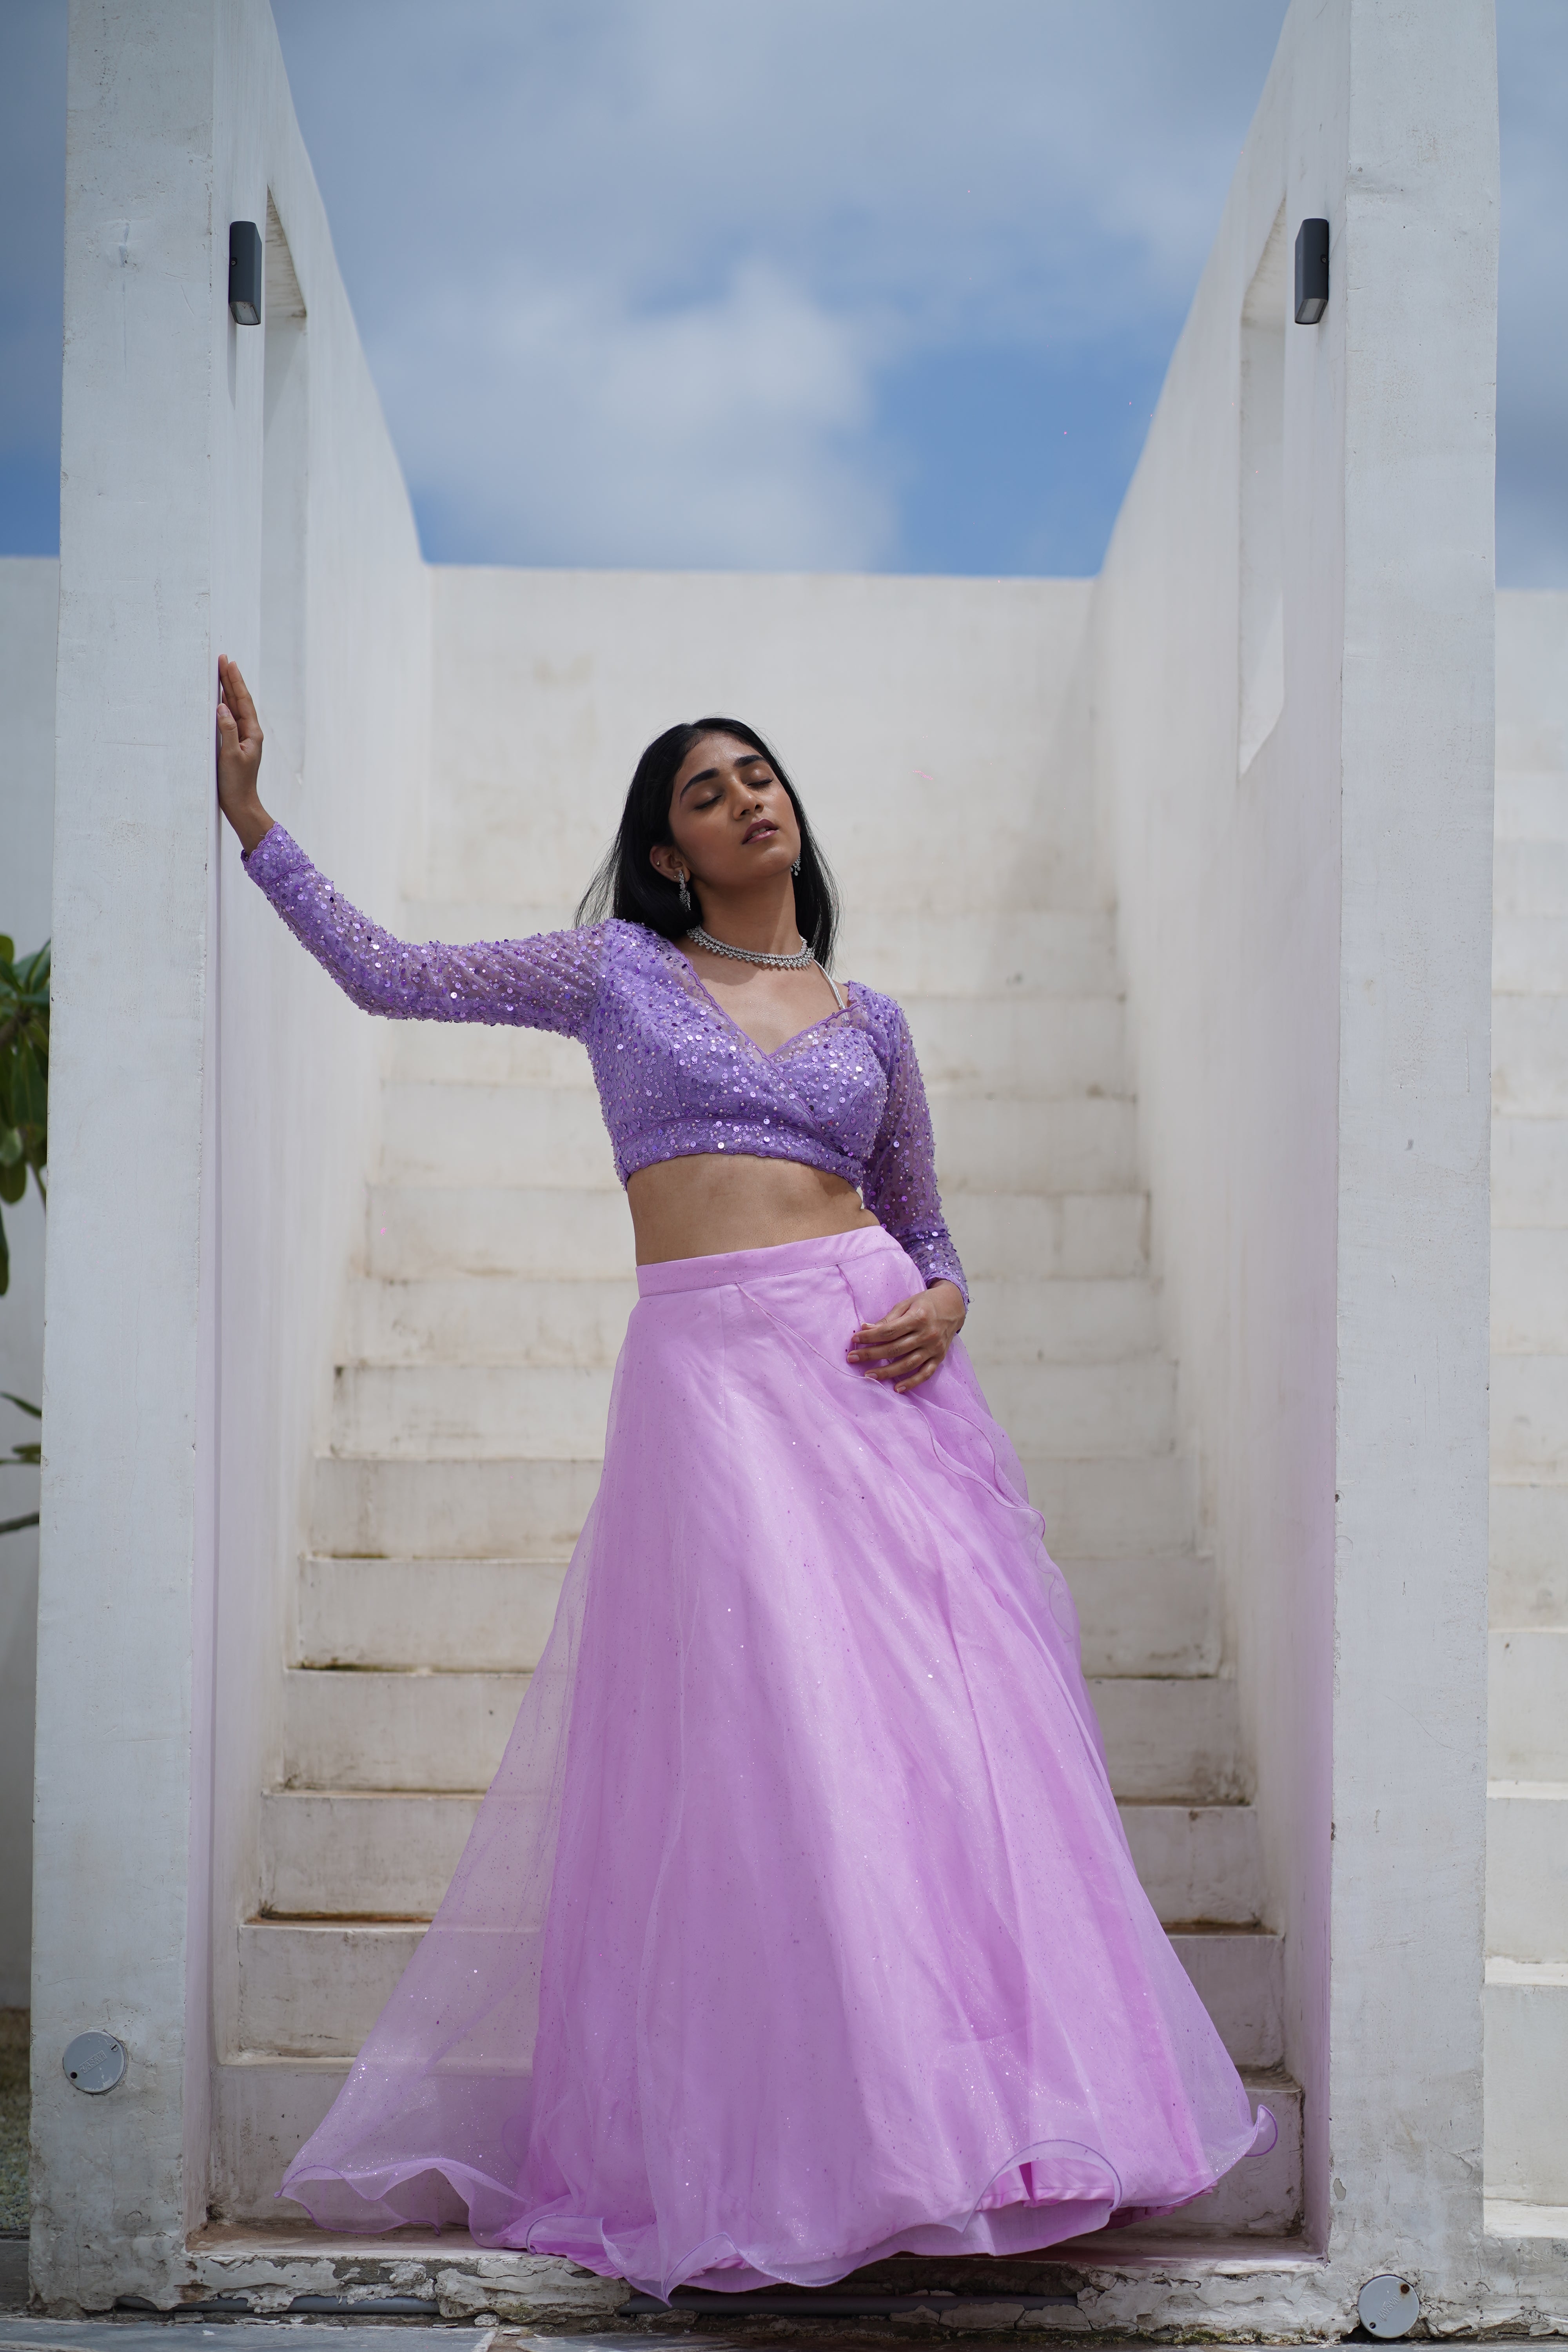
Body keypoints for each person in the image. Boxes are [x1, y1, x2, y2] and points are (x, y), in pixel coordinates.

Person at [215, 656, 1273, 2297]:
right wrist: (254, 822)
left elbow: (923, 1221)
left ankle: (987, 2124)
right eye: (705, 791)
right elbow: (390, 974)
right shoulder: (614, 974)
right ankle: (813, 2150)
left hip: (871, 1374)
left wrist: (945, 1297)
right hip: (712, 1384)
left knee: (929, 1743)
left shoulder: (873, 1023)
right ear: (665, 852)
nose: (745, 798)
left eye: (757, 774)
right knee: (776, 1745)